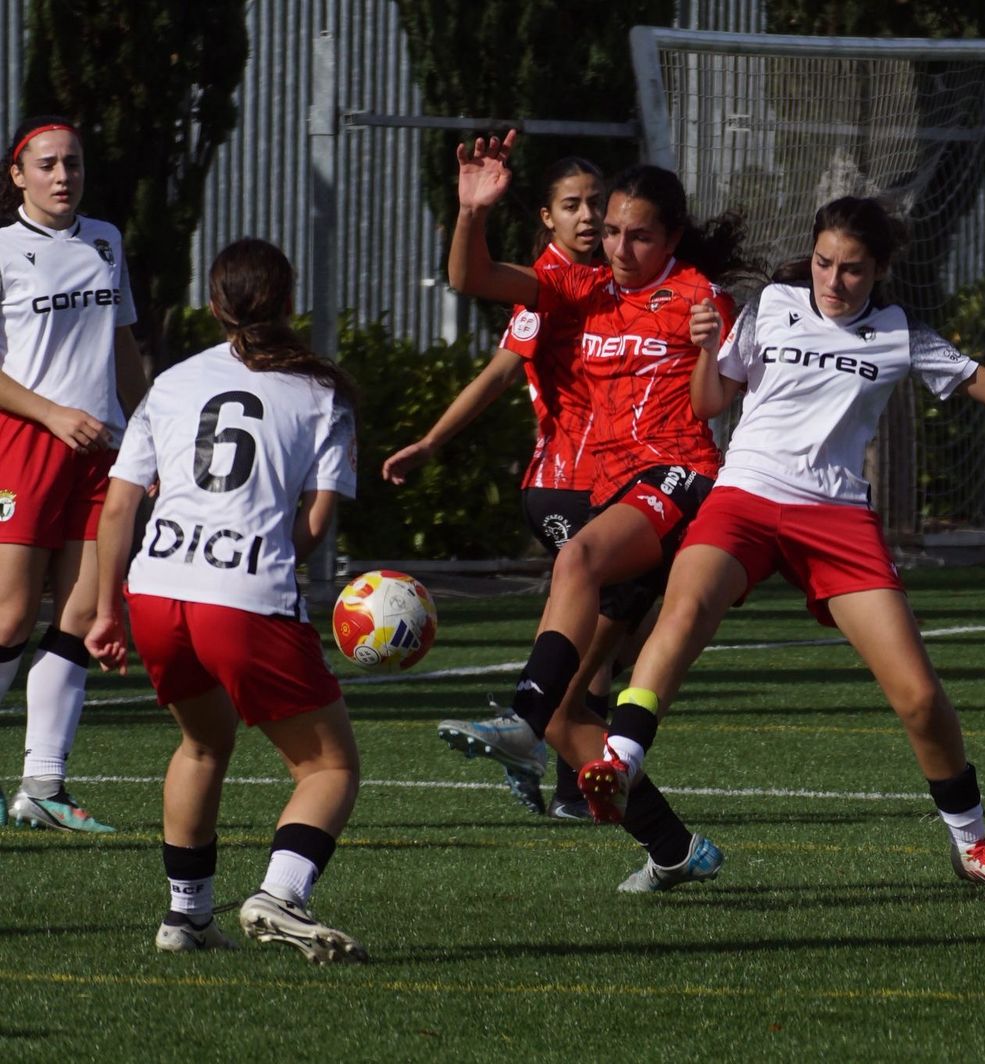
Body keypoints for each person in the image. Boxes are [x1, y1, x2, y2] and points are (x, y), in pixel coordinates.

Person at [576, 197, 985, 902]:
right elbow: (711, 404)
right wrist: (706, 349)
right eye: (824, 263)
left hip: (835, 517)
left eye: (852, 270)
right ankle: (620, 761)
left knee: (920, 697)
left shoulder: (902, 333)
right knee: (682, 613)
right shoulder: (772, 304)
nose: (833, 281)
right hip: (745, 495)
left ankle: (972, 846)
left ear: (881, 270)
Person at [448, 130, 748, 889]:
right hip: (611, 499)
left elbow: (718, 403)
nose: (618, 246)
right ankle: (673, 848)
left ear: (672, 237)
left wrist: (714, 348)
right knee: (568, 712)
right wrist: (471, 212)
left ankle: (519, 717)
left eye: (638, 234)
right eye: (610, 230)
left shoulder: (700, 299)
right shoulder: (582, 289)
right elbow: (473, 276)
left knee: (575, 565)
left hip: (680, 480)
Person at [85, 238, 367, 962]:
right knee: (329, 767)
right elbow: (316, 516)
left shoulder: (170, 382)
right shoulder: (322, 390)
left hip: (156, 591)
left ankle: (186, 918)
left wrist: (108, 610)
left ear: (213, 307)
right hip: (242, 596)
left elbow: (119, 508)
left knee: (203, 742)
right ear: (289, 301)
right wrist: (269, 562)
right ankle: (280, 893)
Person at [382, 155, 646, 821]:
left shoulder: (600, 280)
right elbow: (482, 312)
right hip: (567, 489)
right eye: (572, 204)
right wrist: (434, 442)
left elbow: (501, 368)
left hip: (609, 488)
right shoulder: (551, 281)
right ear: (547, 217)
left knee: (612, 647)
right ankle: (550, 755)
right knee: (591, 645)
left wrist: (434, 441)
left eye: (596, 203)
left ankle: (564, 779)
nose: (587, 216)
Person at [0, 115, 145, 832]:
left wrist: (148, 429)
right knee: (10, 616)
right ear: (18, 176)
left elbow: (122, 348)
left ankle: (43, 787)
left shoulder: (105, 242)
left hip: (103, 450)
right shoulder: (0, 252)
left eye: (75, 164)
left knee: (84, 615)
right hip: (23, 445)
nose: (64, 177)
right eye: (49, 165)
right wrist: (53, 414)